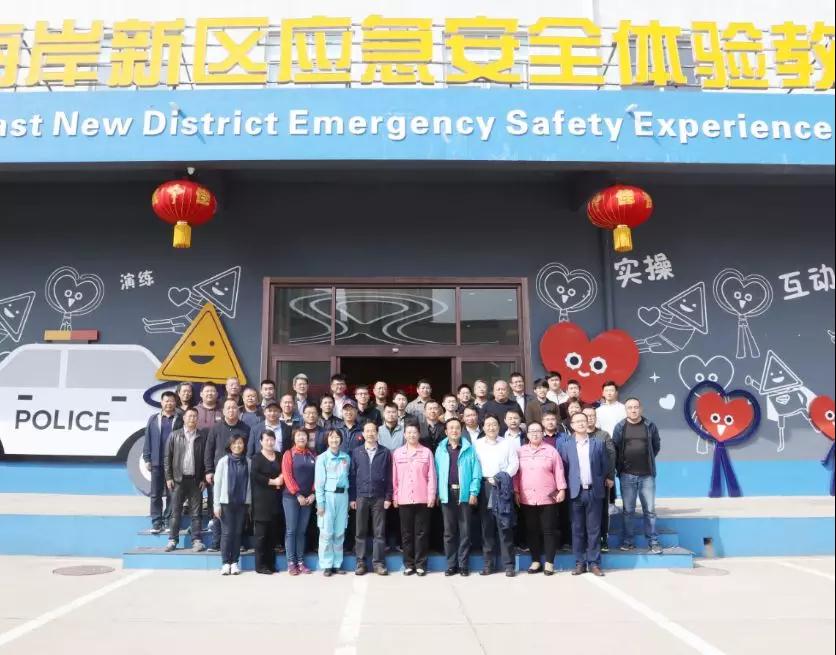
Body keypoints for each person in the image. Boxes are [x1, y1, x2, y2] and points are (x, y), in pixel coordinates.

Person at [557, 413, 612, 577]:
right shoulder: (566, 445)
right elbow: (563, 469)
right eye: (577, 421)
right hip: (575, 493)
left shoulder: (598, 443)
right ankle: (580, 562)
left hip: (594, 491)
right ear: (572, 425)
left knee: (594, 529)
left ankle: (594, 563)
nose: (581, 424)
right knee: (577, 529)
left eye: (583, 421)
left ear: (588, 423)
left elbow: (605, 466)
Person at [515, 422, 566, 576]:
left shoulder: (551, 451)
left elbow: (559, 471)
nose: (535, 434)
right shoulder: (520, 451)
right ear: (527, 434)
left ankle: (549, 563)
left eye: (538, 431)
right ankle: (536, 561)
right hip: (527, 497)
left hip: (548, 496)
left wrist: (562, 489)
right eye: (532, 431)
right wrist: (516, 491)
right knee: (532, 530)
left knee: (549, 530)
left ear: (543, 433)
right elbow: (516, 474)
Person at [612, 398, 662, 554]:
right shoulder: (620, 427)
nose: (633, 410)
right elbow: (615, 448)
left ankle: (653, 542)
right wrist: (620, 468)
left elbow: (656, 446)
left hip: (647, 475)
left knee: (650, 510)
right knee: (628, 511)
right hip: (627, 475)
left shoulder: (650, 425)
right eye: (630, 407)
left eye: (636, 407)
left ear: (641, 408)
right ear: (626, 410)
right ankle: (628, 542)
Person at [473, 416, 519, 576]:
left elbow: (514, 464)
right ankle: (488, 565)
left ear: (499, 427)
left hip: (502, 486)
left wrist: (501, 477)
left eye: (494, 424)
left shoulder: (507, 443)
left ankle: (509, 565)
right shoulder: (477, 444)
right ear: (483, 428)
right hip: (484, 486)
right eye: (488, 425)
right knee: (487, 527)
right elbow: (474, 464)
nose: (491, 427)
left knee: (504, 526)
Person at [435, 418, 481, 577]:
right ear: (446, 431)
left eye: (457, 428)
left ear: (461, 431)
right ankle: (451, 565)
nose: (454, 431)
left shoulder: (469, 449)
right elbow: (435, 473)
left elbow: (476, 473)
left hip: (464, 494)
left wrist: (473, 492)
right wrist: (437, 493)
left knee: (465, 531)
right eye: (451, 428)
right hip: (447, 494)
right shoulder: (440, 450)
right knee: (449, 532)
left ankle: (463, 565)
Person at [204, 399, 249, 551]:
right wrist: (209, 470)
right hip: (219, 475)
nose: (231, 410)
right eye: (228, 408)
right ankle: (217, 542)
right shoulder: (216, 428)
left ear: (238, 410)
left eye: (234, 408)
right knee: (217, 510)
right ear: (223, 411)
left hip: (240, 475)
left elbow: (249, 450)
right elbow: (209, 450)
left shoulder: (245, 428)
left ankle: (239, 542)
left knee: (239, 510)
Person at [392, 423, 437, 576]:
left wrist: (431, 496)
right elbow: (394, 478)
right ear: (404, 435)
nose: (411, 435)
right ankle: (409, 564)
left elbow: (431, 476)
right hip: (404, 498)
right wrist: (395, 496)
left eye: (414, 432)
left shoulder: (426, 452)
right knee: (406, 534)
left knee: (421, 533)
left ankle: (421, 564)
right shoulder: (398, 453)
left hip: (422, 498)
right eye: (409, 432)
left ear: (419, 434)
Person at [349, 422, 393, 576]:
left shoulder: (385, 452)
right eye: (367, 431)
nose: (370, 434)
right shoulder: (356, 452)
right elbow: (352, 475)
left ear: (377, 433)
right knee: (360, 531)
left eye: (373, 431)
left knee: (379, 532)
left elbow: (389, 476)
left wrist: (388, 496)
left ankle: (378, 563)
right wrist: (352, 497)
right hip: (361, 496)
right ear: (363, 434)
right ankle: (360, 563)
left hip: (379, 497)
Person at [164, 407, 207, 552]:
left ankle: (197, 540)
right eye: (189, 416)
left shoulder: (202, 436)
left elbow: (206, 460)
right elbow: (167, 458)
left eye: (195, 416)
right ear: (184, 418)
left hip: (195, 480)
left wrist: (203, 478)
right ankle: (172, 540)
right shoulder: (174, 435)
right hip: (178, 480)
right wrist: (169, 477)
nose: (192, 419)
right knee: (175, 512)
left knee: (196, 513)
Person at [142, 391, 183, 533]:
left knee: (172, 493)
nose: (169, 403)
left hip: (174, 462)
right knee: (155, 493)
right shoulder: (154, 419)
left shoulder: (180, 419)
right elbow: (148, 438)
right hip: (156, 462)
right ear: (161, 402)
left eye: (171, 401)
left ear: (175, 403)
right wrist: (147, 458)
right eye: (166, 401)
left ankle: (168, 521)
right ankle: (156, 521)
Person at [213, 434, 251, 575]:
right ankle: (225, 563)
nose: (237, 446)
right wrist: (216, 505)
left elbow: (250, 485)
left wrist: (249, 502)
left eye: (240, 443)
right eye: (234, 443)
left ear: (244, 445)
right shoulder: (223, 461)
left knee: (237, 533)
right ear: (230, 445)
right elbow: (217, 484)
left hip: (242, 503)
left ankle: (234, 562)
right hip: (226, 503)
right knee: (227, 533)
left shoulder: (248, 462)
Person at [315, 429, 351, 577]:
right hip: (328, 497)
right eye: (331, 437)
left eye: (337, 437)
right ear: (327, 440)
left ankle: (337, 564)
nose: (334, 440)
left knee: (339, 532)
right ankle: (326, 565)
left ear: (341, 440)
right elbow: (319, 483)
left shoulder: (346, 457)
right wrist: (320, 503)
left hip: (343, 497)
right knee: (326, 532)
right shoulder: (322, 458)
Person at [281, 429, 317, 575]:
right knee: (291, 530)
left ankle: (301, 562)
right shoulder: (289, 454)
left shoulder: (312, 454)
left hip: (308, 499)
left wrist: (313, 493)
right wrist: (297, 494)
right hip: (291, 498)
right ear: (294, 438)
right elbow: (287, 475)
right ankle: (291, 563)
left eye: (304, 436)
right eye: (298, 435)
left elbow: (318, 476)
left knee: (301, 531)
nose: (301, 438)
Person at [584, 406, 617, 552]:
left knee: (602, 511)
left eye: (592, 415)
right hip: (582, 482)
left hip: (601, 480)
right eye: (587, 416)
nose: (590, 418)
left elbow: (611, 456)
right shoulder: (575, 436)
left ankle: (603, 538)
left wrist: (610, 476)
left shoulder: (603, 435)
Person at [250, 429, 283, 574]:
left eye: (272, 439)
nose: (270, 442)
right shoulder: (256, 458)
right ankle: (260, 565)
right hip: (261, 501)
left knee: (272, 535)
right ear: (261, 442)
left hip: (275, 499)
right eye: (267, 440)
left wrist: (281, 477)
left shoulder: (279, 455)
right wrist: (273, 481)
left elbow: (284, 469)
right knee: (261, 536)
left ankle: (270, 563)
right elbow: (255, 476)